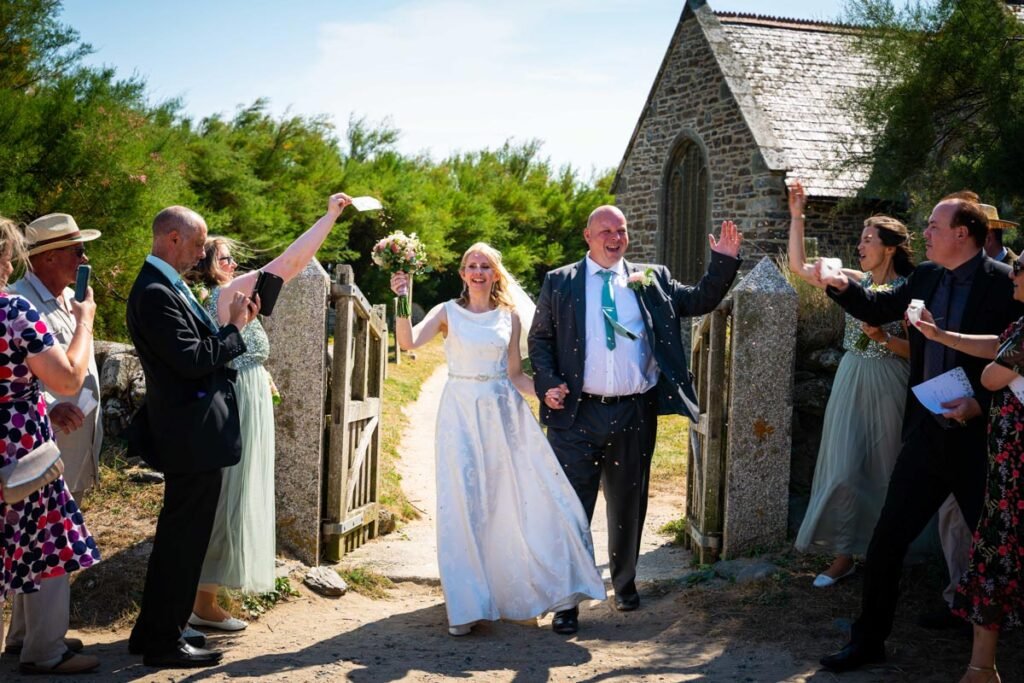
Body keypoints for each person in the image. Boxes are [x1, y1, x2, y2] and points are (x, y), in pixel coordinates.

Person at [816, 198, 1024, 672]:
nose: (925, 233)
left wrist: (981, 404)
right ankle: (867, 642)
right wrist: (834, 283)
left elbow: (1015, 358)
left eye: (934, 225)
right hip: (927, 435)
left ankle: (989, 659)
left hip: (981, 443)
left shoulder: (1002, 282)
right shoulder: (928, 275)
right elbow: (877, 302)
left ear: (963, 234)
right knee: (887, 540)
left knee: (996, 548)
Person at [528, 205, 741, 634]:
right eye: (605, 230)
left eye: (621, 230)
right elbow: (541, 338)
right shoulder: (560, 281)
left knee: (628, 504)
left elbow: (699, 299)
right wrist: (548, 381)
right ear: (587, 236)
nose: (614, 236)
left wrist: (724, 262)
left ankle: (624, 584)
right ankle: (568, 600)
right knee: (571, 509)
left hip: (634, 411)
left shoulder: (652, 278)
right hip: (576, 413)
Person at [390, 242, 605, 637]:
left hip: (504, 414)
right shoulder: (446, 313)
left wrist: (545, 391)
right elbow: (407, 343)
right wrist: (403, 299)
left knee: (514, 500)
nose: (477, 271)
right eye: (471, 265)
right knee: (465, 501)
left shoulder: (510, 317)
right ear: (461, 273)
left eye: (484, 266)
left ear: (495, 274)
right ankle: (467, 603)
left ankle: (515, 589)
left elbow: (515, 375)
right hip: (460, 412)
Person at [185, 192, 352, 630]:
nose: (233, 265)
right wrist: (328, 216)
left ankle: (206, 599)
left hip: (251, 397)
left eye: (233, 261)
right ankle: (201, 602)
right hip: (238, 403)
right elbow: (291, 263)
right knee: (229, 494)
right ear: (206, 263)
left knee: (238, 494)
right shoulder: (226, 293)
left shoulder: (229, 295)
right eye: (224, 258)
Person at [126, 206, 258, 668]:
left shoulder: (164, 285)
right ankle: (163, 642)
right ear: (173, 238)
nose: (203, 254)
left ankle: (155, 631)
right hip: (189, 434)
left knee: (181, 539)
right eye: (199, 244)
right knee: (183, 541)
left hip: (194, 433)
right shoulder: (155, 291)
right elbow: (192, 359)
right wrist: (236, 328)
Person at [787, 180, 914, 587]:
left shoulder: (910, 291)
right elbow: (800, 268)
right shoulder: (854, 279)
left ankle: (883, 554)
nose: (860, 246)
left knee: (885, 468)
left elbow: (922, 352)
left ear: (890, 248)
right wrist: (797, 216)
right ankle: (843, 556)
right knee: (843, 468)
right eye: (860, 240)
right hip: (850, 375)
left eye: (868, 240)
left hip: (890, 380)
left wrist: (885, 340)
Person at [912, 260, 1024, 683]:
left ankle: (982, 668)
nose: (1013, 273)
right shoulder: (1021, 326)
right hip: (1006, 462)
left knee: (997, 554)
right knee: (994, 554)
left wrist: (1001, 362)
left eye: (1021, 268)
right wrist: (940, 335)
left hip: (1017, 469)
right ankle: (981, 668)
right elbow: (997, 344)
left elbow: (993, 376)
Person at [0, 216, 101, 675]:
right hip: (23, 443)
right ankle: (46, 651)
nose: (84, 260)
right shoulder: (15, 308)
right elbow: (67, 376)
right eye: (77, 251)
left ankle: (26, 640)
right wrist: (85, 323)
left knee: (18, 542)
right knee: (49, 540)